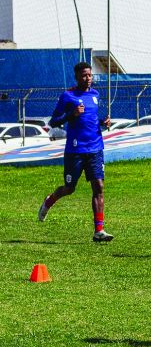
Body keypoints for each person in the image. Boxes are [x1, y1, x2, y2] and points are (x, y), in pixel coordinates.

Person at [38, 62, 113, 242]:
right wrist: (71, 115)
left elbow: (91, 119)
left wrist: (103, 122)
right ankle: (49, 200)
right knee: (69, 188)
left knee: (99, 187)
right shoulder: (68, 96)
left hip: (95, 148)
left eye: (90, 75)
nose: (88, 78)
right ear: (77, 77)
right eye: (84, 75)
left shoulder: (95, 94)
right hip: (75, 150)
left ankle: (99, 231)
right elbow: (54, 121)